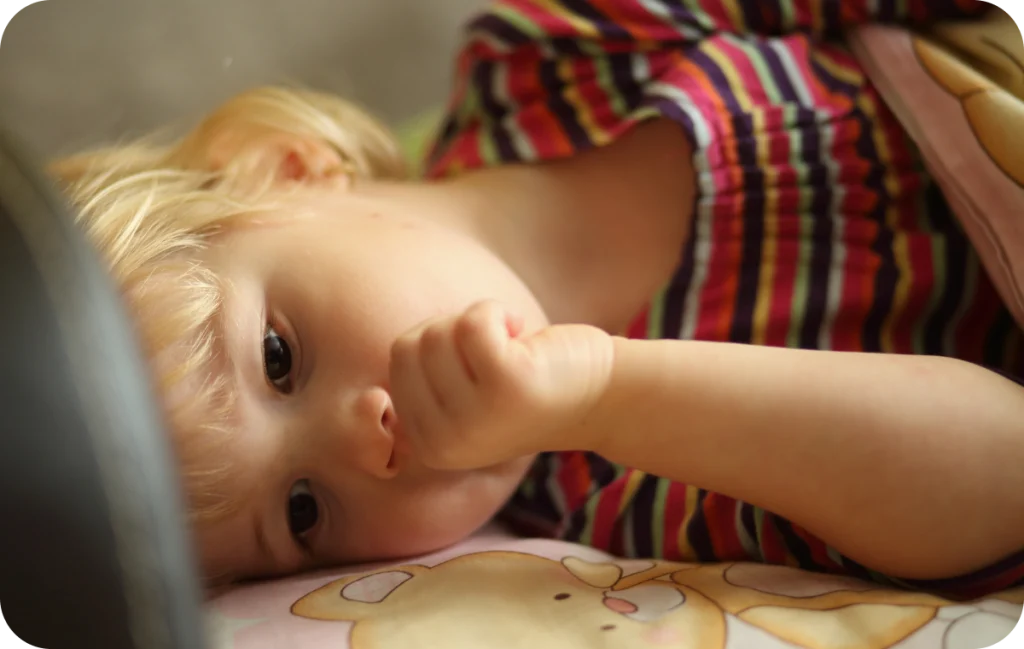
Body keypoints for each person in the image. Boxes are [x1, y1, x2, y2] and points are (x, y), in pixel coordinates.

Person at [48, 0, 1024, 600]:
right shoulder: (615, 502)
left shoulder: (554, 52)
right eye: (304, 511)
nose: (367, 444)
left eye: (278, 359)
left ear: (285, 169)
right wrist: (605, 393)